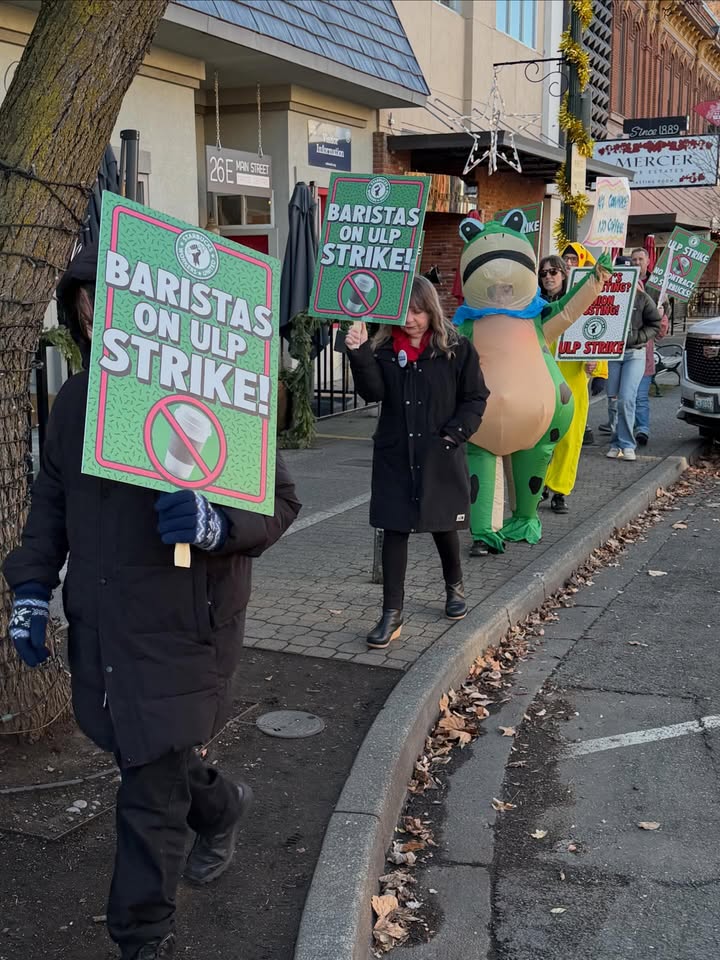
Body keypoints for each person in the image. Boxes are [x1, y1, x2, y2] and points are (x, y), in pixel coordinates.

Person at [3, 245, 301, 960]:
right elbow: (51, 503)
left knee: (149, 793)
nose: (101, 318)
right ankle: (221, 806)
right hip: (104, 627)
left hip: (185, 627)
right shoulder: (76, 401)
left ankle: (143, 936)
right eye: (89, 307)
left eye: (115, 302)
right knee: (146, 756)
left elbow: (280, 501)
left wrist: (216, 524)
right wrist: (32, 588)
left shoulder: (214, 394)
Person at [345, 276, 488, 650]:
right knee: (394, 528)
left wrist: (453, 436)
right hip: (395, 455)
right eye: (404, 312)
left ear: (431, 311)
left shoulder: (456, 349)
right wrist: (358, 352)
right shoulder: (383, 349)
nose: (410, 319)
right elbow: (373, 392)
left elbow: (475, 397)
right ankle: (391, 613)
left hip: (439, 452)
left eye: (418, 311)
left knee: (443, 525)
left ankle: (454, 587)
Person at [537, 254, 608, 513]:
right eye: (543, 273)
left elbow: (597, 333)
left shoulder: (580, 302)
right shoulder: (534, 307)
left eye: (553, 271)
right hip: (542, 380)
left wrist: (595, 365)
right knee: (541, 438)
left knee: (569, 439)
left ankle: (560, 491)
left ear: (564, 274)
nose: (548, 277)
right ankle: (539, 485)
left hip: (573, 379)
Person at [605, 283, 662, 461]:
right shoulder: (607, 294)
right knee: (613, 401)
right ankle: (616, 443)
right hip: (612, 352)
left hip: (634, 353)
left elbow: (655, 324)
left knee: (627, 398)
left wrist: (637, 337)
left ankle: (627, 444)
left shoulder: (642, 298)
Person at [630, 247, 669, 445]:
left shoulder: (656, 286)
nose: (637, 263)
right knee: (625, 395)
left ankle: (642, 429)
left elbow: (663, 320)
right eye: (634, 259)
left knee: (641, 395)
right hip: (626, 348)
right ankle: (625, 427)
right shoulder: (625, 280)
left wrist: (661, 313)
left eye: (640, 259)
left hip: (645, 347)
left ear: (647, 262)